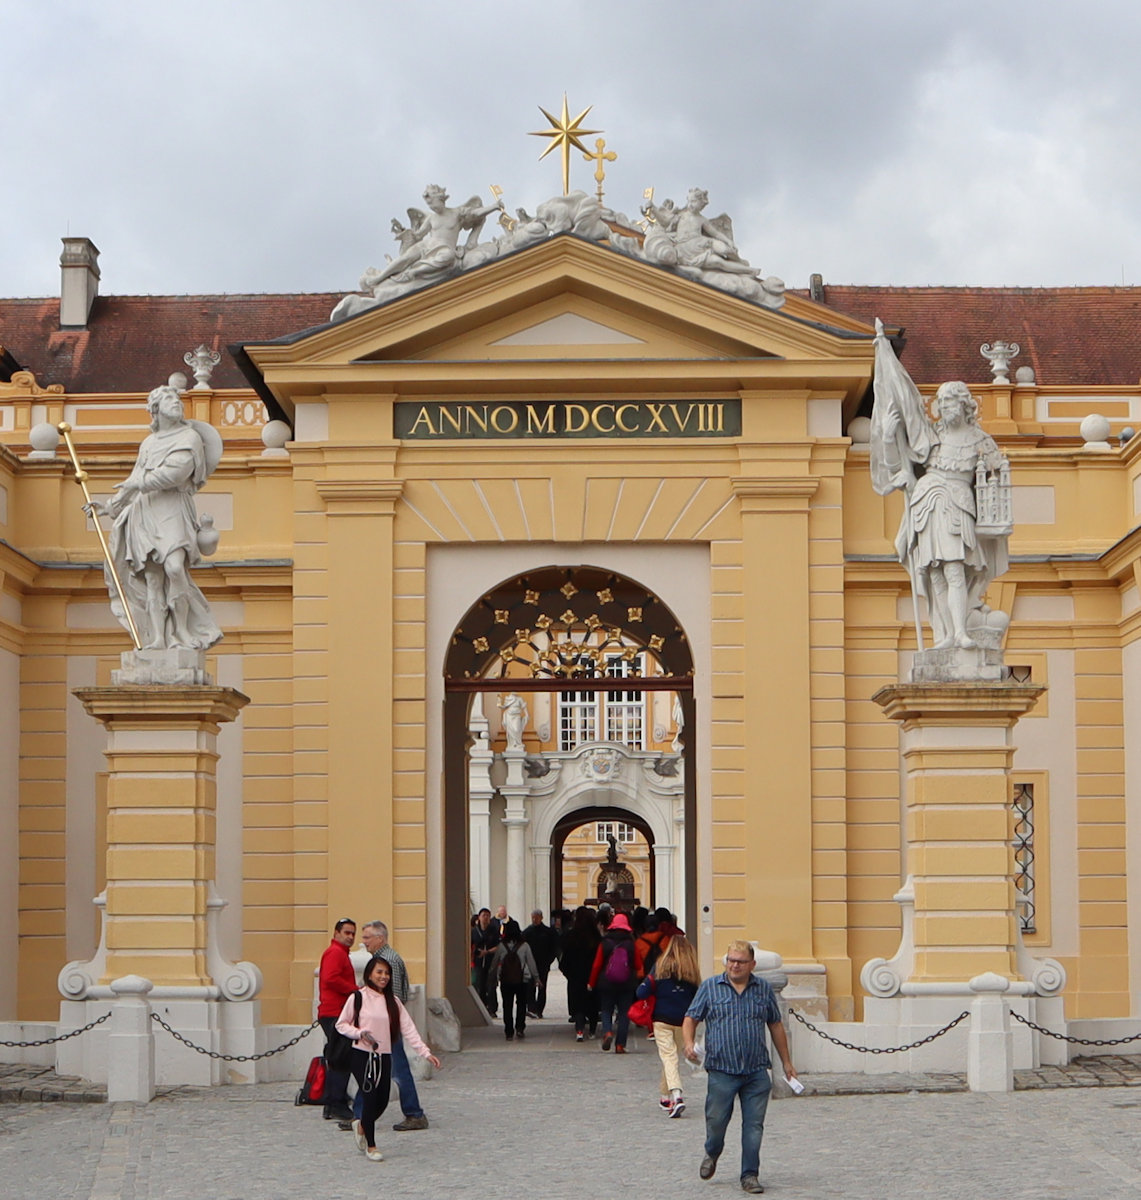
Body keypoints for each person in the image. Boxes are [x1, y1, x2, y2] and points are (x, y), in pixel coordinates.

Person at [871, 325, 1011, 652]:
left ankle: (961, 632)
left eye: (952, 403)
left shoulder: (980, 440)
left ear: (965, 407)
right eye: (943, 403)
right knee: (934, 574)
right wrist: (891, 436)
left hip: (958, 505)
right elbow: (899, 464)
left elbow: (997, 478)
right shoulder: (932, 438)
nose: (946, 408)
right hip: (926, 504)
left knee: (955, 569)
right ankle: (947, 634)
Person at [87, 383, 222, 650]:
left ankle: (182, 631)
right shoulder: (148, 443)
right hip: (145, 511)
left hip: (172, 508)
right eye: (169, 399)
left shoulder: (189, 437)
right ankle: (158, 637)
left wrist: (137, 484)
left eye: (177, 399)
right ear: (155, 409)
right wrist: (111, 507)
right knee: (152, 580)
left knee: (174, 567)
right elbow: (134, 478)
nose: (177, 402)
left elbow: (175, 474)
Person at [683, 941, 797, 1195]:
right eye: (731, 960)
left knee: (754, 1127)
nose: (734, 965)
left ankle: (750, 1175)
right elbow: (691, 1018)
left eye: (740, 961)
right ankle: (712, 1152)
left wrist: (787, 1062)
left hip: (756, 1071)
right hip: (722, 1071)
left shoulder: (763, 989)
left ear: (752, 965)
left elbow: (775, 1025)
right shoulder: (711, 988)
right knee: (716, 1122)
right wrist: (689, 1043)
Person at [336, 957, 441, 1162]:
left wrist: (425, 1053)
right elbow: (342, 1024)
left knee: (383, 1099)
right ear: (369, 974)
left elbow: (409, 1029)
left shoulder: (393, 1002)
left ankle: (361, 1124)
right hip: (362, 1054)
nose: (383, 977)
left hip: (384, 1055)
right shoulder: (357, 997)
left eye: (386, 973)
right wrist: (359, 1033)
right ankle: (372, 1145)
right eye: (379, 972)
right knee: (369, 1096)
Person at [359, 921, 429, 1131]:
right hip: (385, 1024)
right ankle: (360, 1115)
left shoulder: (387, 960)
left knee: (396, 1071)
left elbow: (394, 996)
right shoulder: (385, 958)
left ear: (380, 938)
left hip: (387, 1026)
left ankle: (414, 1113)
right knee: (371, 1070)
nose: (364, 942)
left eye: (367, 937)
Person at [371, 184, 504, 286]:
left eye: (432, 204)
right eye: (429, 206)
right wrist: (403, 231)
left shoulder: (457, 213)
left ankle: (414, 272)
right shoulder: (431, 218)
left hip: (444, 248)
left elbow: (475, 214)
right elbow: (418, 236)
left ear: (441, 199)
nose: (431, 208)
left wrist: (493, 207)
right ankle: (380, 278)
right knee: (405, 258)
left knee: (448, 256)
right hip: (426, 245)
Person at [637, 934, 701, 1117]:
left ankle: (677, 1095)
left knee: (668, 1056)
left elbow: (641, 992)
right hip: (685, 1022)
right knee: (672, 1058)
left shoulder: (659, 968)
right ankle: (665, 1097)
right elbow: (699, 998)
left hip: (662, 1019)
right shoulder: (692, 972)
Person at [317, 917, 357, 1123]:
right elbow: (331, 979)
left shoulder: (340, 953)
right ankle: (336, 1103)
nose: (350, 937)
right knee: (341, 1059)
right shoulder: (335, 953)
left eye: (352, 933)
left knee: (338, 1057)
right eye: (346, 933)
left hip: (336, 1012)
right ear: (336, 933)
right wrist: (355, 991)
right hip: (335, 1012)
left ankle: (334, 1100)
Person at [588, 911, 643, 1053]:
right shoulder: (631, 944)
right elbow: (638, 964)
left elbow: (596, 965)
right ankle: (620, 1045)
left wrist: (592, 982)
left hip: (606, 983)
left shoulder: (605, 943)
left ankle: (607, 1032)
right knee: (624, 1014)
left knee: (606, 1010)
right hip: (626, 984)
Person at [487, 919, 541, 1041]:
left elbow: (494, 964)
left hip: (506, 979)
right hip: (522, 979)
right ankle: (520, 1028)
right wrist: (536, 977)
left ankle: (509, 1031)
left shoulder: (501, 946)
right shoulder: (525, 946)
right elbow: (531, 963)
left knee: (507, 1005)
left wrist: (492, 978)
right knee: (521, 1004)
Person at [559, 906, 600, 1040]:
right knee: (592, 1004)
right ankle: (593, 1030)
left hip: (576, 976)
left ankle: (580, 1031)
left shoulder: (571, 935)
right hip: (593, 976)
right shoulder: (596, 937)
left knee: (578, 1006)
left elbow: (564, 960)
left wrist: (569, 974)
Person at [522, 909, 559, 1018]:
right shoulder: (527, 932)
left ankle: (539, 1009)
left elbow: (554, 948)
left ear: (541, 918)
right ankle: (531, 1008)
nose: (534, 919)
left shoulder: (548, 932)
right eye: (533, 917)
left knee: (542, 988)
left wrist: (549, 961)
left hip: (543, 964)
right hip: (530, 964)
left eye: (536, 917)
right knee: (530, 987)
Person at [471, 907, 500, 1016]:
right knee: (480, 985)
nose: (486, 918)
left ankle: (492, 1009)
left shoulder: (494, 930)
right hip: (478, 961)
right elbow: (470, 945)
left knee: (491, 985)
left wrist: (487, 952)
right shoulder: (474, 931)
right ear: (479, 917)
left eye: (488, 916)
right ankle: (483, 1008)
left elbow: (498, 945)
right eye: (484, 915)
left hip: (491, 961)